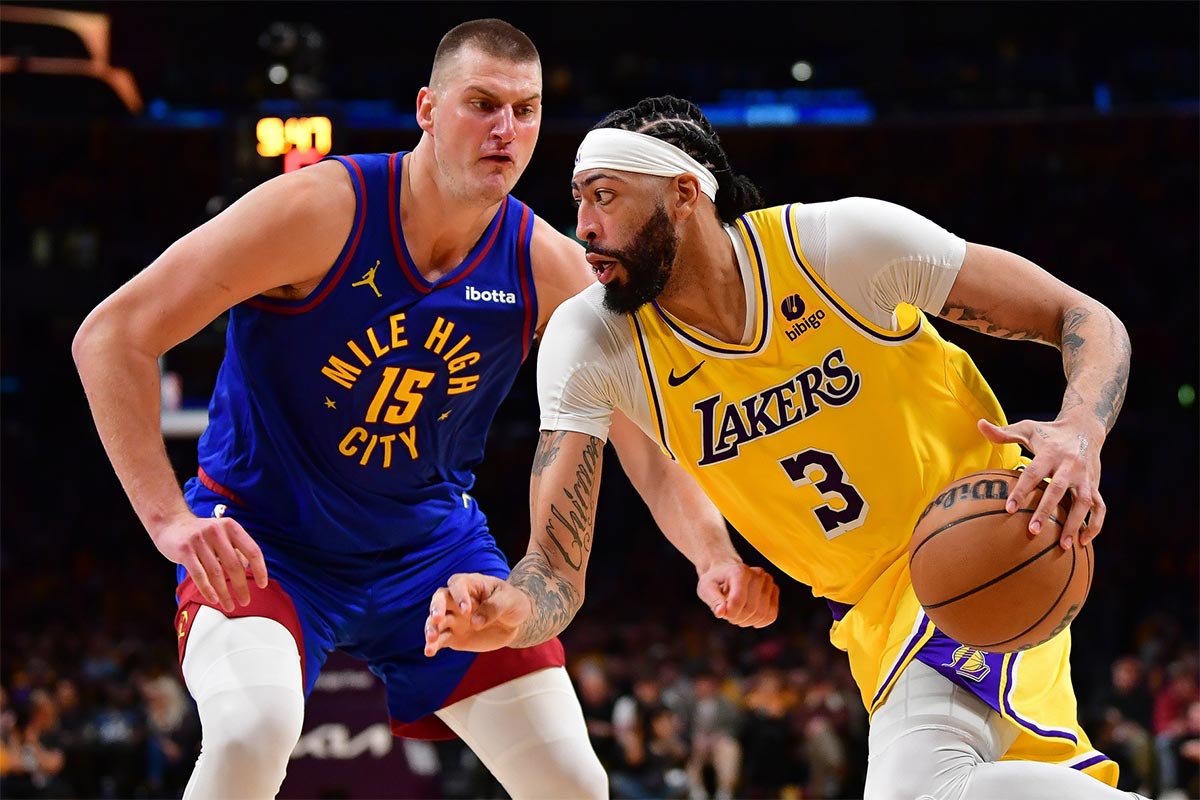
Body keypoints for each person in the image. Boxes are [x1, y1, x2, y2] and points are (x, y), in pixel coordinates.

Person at [72, 26, 779, 799]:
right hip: (268, 541)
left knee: (574, 782)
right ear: (428, 110)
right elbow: (112, 337)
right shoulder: (319, 211)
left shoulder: (548, 267)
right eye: (483, 104)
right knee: (251, 733)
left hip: (430, 554)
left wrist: (714, 556)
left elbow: (647, 441)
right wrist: (170, 522)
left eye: (527, 109)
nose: (506, 129)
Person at [423, 95, 1150, 799]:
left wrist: (1078, 434)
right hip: (866, 611)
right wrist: (513, 612)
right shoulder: (592, 341)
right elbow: (555, 565)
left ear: (683, 193)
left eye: (604, 196)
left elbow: (1079, 315)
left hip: (984, 534)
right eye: (578, 199)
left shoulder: (839, 247)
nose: (582, 226)